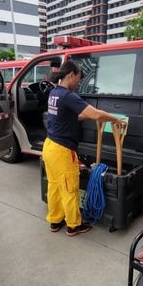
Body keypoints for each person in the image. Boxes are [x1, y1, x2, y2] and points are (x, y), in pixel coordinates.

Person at [44, 61, 124, 236]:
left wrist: (86, 117)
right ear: (71, 74)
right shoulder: (68, 95)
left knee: (54, 187)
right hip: (62, 151)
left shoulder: (54, 93)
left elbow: (66, 117)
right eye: (79, 78)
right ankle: (73, 225)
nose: (79, 82)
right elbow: (95, 113)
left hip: (49, 146)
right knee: (69, 189)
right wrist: (115, 119)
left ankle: (55, 220)